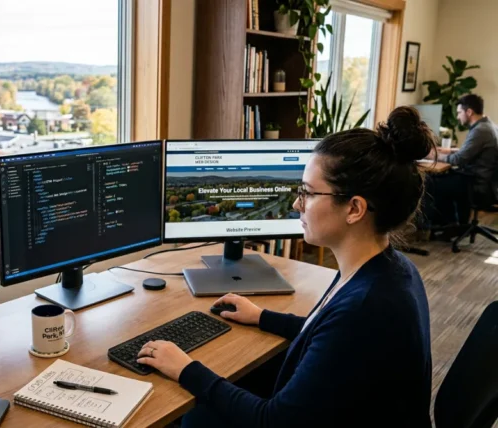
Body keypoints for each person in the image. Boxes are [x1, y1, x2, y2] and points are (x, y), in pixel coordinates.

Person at [136, 107, 434, 428]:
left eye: (307, 192)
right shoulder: (388, 268)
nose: (296, 204)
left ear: (354, 208)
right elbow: (325, 334)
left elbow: (273, 422)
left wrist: (186, 368)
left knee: (189, 413)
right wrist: (261, 316)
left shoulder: (366, 306)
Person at [424, 94, 498, 227]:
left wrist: (432, 155)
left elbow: (457, 160)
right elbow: (473, 151)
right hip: (485, 182)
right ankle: (454, 224)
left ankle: (448, 225)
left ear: (469, 112)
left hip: (475, 184)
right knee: (443, 179)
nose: (457, 117)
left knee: (432, 183)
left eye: (459, 113)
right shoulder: (489, 125)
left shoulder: (480, 131)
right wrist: (451, 150)